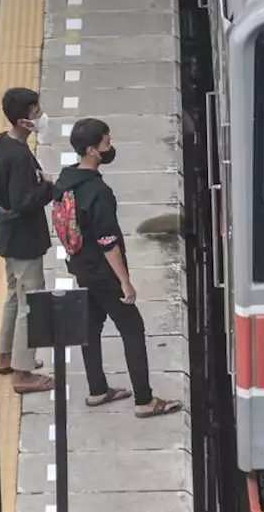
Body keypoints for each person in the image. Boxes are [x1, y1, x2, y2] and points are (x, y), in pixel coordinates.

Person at [52, 118, 182, 418]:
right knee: (132, 328)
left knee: (91, 326)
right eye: (106, 143)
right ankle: (145, 401)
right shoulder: (98, 192)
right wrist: (125, 282)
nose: (110, 148)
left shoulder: (66, 180)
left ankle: (98, 390)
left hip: (80, 267)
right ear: (92, 150)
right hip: (103, 273)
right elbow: (107, 242)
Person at [0, 88, 56, 394]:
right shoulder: (17, 156)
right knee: (31, 302)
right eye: (35, 112)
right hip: (25, 240)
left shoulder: (4, 143)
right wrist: (47, 188)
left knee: (16, 296)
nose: (41, 116)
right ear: (23, 120)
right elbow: (23, 200)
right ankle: (23, 373)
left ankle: (6, 356)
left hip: (9, 238)